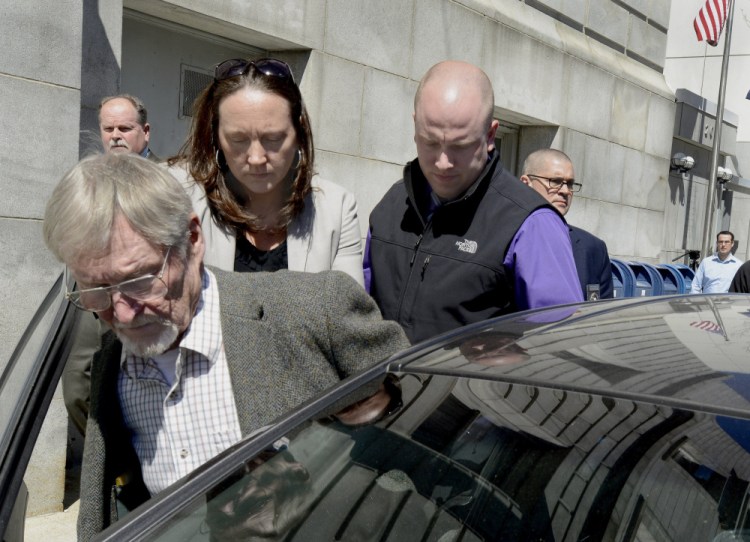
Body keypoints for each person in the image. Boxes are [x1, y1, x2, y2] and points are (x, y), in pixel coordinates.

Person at [42, 153, 408, 540]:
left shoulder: (317, 311)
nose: (123, 314)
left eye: (139, 280)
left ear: (192, 239)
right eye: (97, 289)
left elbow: (416, 429)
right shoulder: (108, 367)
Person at [367, 60, 583, 344]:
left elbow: (560, 344)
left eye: (460, 146)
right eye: (430, 142)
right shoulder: (393, 204)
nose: (443, 162)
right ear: (414, 126)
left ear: (491, 135)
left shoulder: (532, 225)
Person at [170, 57, 363, 285]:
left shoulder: (336, 209)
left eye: (273, 139)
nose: (256, 158)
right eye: (238, 139)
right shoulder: (177, 197)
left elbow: (349, 312)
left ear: (299, 134)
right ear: (215, 136)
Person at [63, 94, 162, 436]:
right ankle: (111, 464)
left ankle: (132, 471)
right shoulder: (87, 177)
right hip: (92, 297)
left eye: (125, 127)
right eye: (108, 128)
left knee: (133, 387)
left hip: (142, 299)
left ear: (145, 132)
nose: (116, 135)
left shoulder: (169, 180)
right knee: (76, 383)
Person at [520, 149, 613, 301]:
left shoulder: (594, 249)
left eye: (569, 184)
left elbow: (601, 316)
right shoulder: (505, 237)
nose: (565, 191)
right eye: (555, 181)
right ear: (526, 183)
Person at [99, 94, 159, 161]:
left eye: (124, 128)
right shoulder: (92, 170)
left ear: (145, 132)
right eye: (108, 129)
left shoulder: (164, 171)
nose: (115, 136)